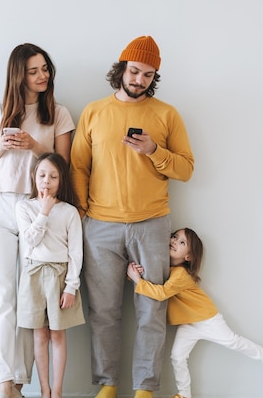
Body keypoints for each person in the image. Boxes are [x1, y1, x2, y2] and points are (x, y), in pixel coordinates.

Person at [70, 35, 195, 398]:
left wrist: (155, 151)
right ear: (122, 68)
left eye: (147, 74)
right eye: (134, 71)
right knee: (103, 312)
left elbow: (186, 169)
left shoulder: (166, 114)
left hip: (152, 224)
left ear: (154, 77)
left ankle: (145, 390)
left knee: (151, 312)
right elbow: (78, 166)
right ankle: (108, 385)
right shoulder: (94, 111)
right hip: (99, 226)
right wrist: (81, 213)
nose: (139, 79)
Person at [0, 43, 75, 398]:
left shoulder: (59, 114)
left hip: (39, 208)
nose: (42, 76)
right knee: (1, 294)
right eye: (34, 71)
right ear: (18, 74)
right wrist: (4, 144)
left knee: (30, 296)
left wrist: (35, 146)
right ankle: (4, 383)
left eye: (45, 69)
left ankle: (19, 381)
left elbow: (63, 166)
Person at [126, 228, 263, 398]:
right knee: (177, 357)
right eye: (174, 237)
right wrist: (135, 275)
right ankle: (184, 394)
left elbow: (161, 293)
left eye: (181, 242)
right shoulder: (167, 269)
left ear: (189, 257)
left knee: (233, 342)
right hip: (188, 323)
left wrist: (137, 280)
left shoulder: (180, 274)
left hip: (206, 319)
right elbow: (154, 283)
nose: (174, 241)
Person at [16, 153, 85, 398]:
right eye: (42, 175)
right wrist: (43, 212)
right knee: (39, 333)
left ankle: (57, 391)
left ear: (61, 180)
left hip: (60, 276)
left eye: (53, 176)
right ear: (34, 176)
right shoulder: (24, 207)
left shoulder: (69, 212)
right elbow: (30, 241)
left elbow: (76, 252)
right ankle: (44, 390)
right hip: (33, 274)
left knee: (57, 333)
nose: (47, 181)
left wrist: (71, 287)